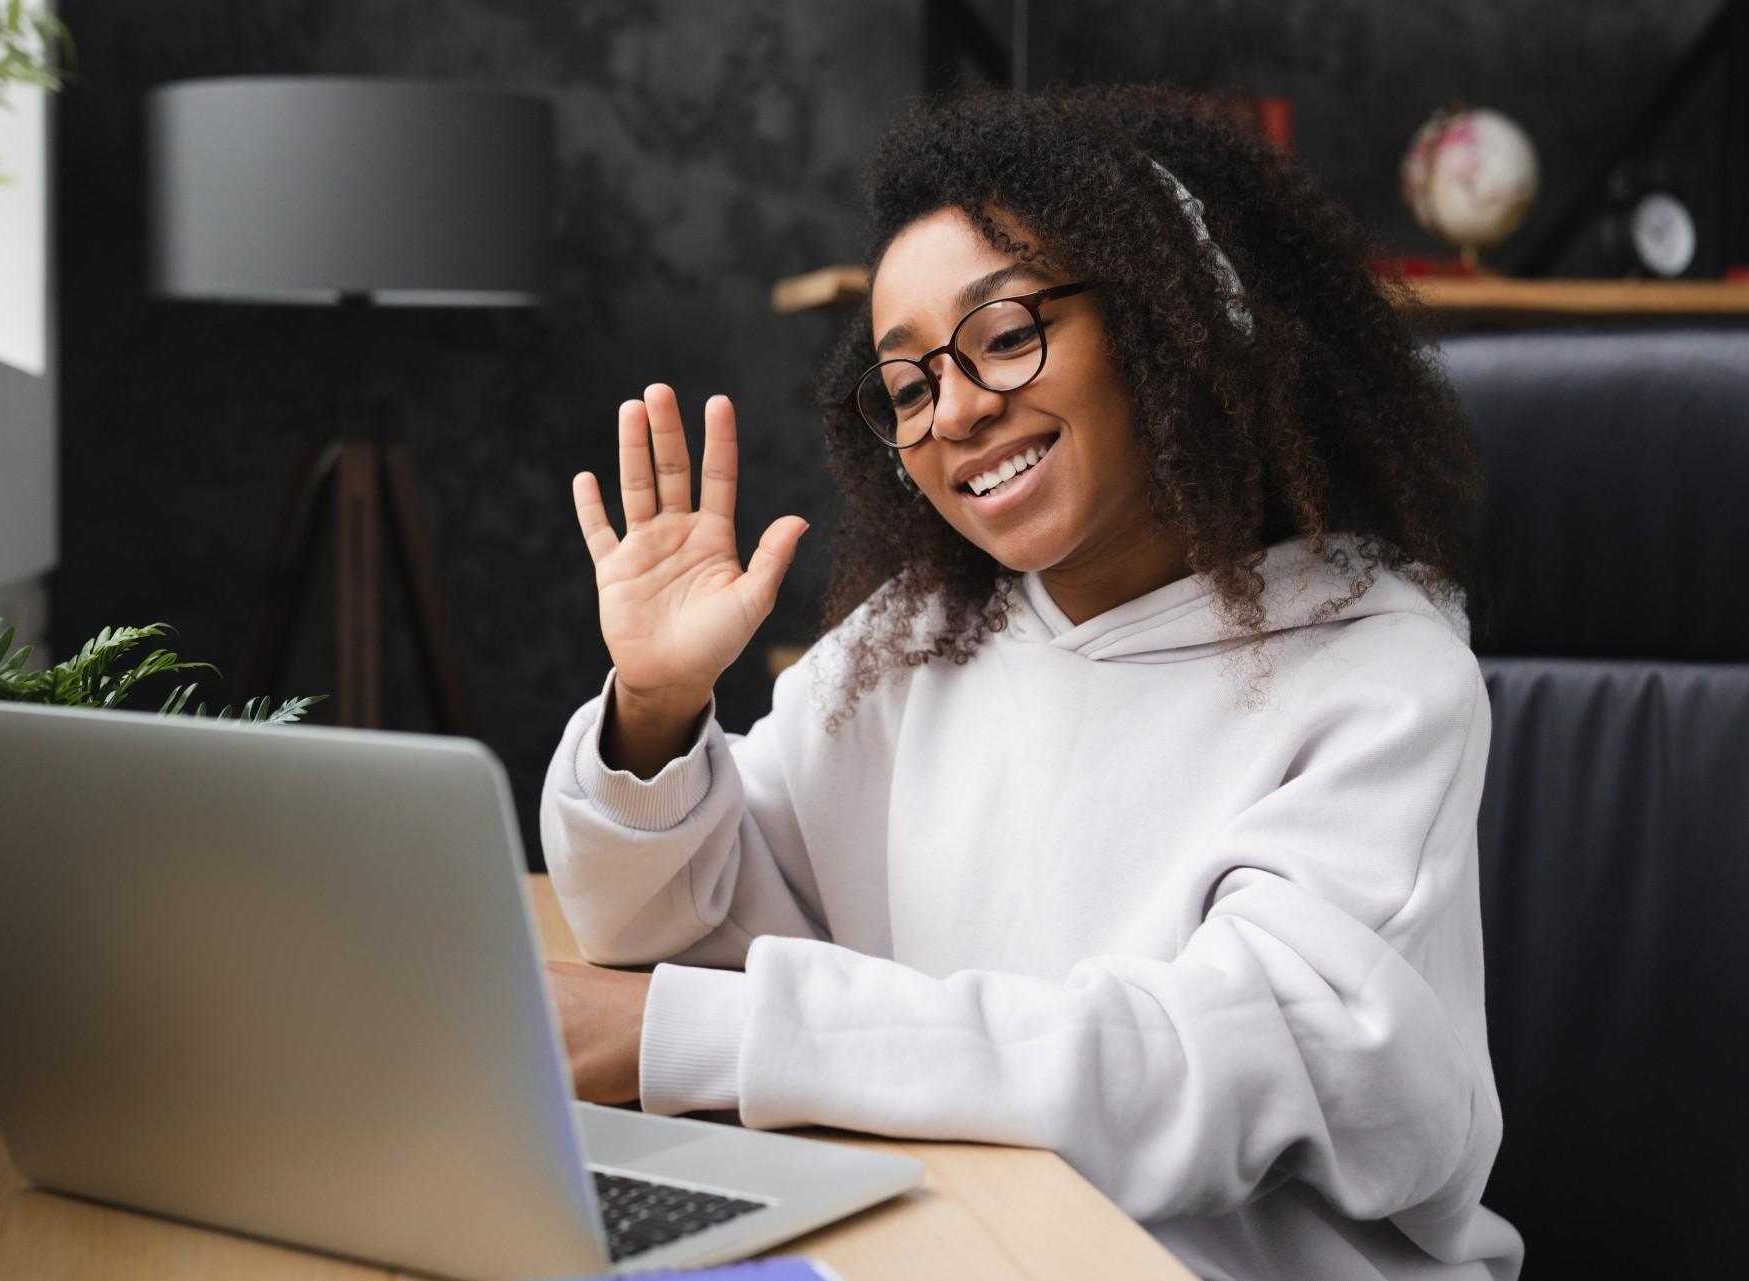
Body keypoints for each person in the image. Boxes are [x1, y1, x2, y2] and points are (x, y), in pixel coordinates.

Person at [540, 83, 1524, 1281]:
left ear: (1170, 328)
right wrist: (654, 713)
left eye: (1006, 334)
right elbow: (666, 931)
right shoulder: (905, 646)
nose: (955, 408)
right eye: (906, 387)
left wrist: (688, 1037)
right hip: (948, 1240)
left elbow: (1201, 1073)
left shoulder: (1378, 671)